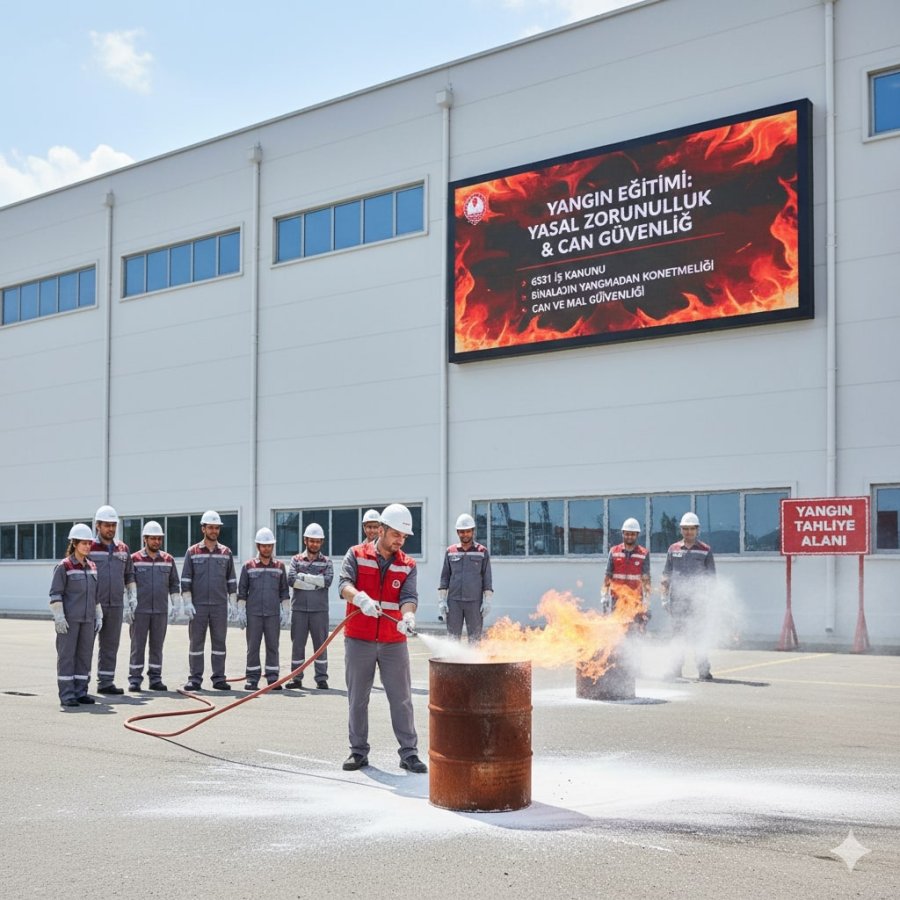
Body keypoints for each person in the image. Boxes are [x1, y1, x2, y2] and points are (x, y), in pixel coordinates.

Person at [338, 503, 426, 773]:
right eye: (396, 534)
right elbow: (343, 585)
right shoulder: (356, 554)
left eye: (404, 536)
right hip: (359, 639)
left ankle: (409, 753)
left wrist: (408, 617)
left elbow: (408, 597)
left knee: (401, 698)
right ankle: (358, 751)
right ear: (382, 530)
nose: (400, 540)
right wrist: (359, 597)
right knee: (358, 698)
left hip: (392, 642)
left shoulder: (407, 564)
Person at [180, 510, 238, 691]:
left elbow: (231, 580)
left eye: (216, 528)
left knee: (219, 643)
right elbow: (186, 580)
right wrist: (187, 602)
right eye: (210, 527)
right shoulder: (193, 552)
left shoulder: (226, 552)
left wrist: (233, 603)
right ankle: (195, 678)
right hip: (198, 606)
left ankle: (219, 678)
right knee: (196, 643)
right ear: (203, 528)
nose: (214, 531)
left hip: (219, 606)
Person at [50, 524, 103, 708]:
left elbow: (96, 594)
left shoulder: (93, 566)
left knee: (84, 656)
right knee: (67, 657)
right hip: (69, 621)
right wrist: (59, 617)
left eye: (89, 543)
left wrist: (99, 613)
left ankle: (81, 692)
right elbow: (55, 594)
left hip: (88, 620)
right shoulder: (64, 566)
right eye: (83, 543)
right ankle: (67, 695)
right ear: (74, 544)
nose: (87, 547)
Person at [661, 512, 717, 680]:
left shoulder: (705, 550)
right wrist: (664, 598)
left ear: (697, 530)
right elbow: (666, 575)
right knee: (677, 637)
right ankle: (675, 669)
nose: (688, 532)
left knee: (699, 636)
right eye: (685, 529)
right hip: (677, 602)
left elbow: (711, 578)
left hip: (698, 602)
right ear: (681, 530)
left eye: (691, 529)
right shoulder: (673, 549)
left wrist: (709, 600)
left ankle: (703, 670)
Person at [128, 521, 180, 691]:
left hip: (160, 611)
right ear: (145, 539)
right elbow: (127, 583)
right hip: (140, 611)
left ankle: (155, 679)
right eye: (153, 538)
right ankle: (135, 679)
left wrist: (176, 604)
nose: (157, 542)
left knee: (157, 646)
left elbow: (174, 584)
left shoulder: (168, 560)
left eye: (159, 539)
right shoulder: (134, 559)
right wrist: (126, 605)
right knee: (138, 646)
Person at [90, 505, 136, 694]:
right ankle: (80, 685)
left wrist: (132, 597)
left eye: (113, 525)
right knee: (86, 646)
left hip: (116, 604)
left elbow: (129, 575)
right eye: (107, 525)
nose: (110, 529)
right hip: (92, 605)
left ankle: (106, 682)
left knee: (111, 645)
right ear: (97, 526)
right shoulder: (88, 547)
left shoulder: (123, 549)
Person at [237, 527, 290, 691]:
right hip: (254, 614)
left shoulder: (280, 566)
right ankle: (252, 679)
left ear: (273, 546)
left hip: (273, 614)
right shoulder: (248, 566)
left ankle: (273, 678)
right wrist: (241, 610)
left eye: (269, 545)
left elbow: (284, 591)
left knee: (273, 646)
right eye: (263, 545)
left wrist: (286, 610)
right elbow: (242, 590)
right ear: (258, 546)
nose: (267, 548)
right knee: (253, 647)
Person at [286, 523, 334, 690]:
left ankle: (321, 678)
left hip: (319, 610)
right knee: (297, 644)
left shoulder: (327, 562)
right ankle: (296, 677)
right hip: (299, 609)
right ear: (305, 540)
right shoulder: (296, 559)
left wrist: (304, 577)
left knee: (320, 645)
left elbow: (327, 581)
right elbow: (292, 580)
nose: (314, 544)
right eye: (311, 541)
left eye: (318, 541)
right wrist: (315, 582)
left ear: (322, 542)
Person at [438, 512, 493, 642]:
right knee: (452, 639)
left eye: (468, 531)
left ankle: (473, 662)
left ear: (473, 531)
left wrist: (488, 601)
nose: (465, 535)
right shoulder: (450, 551)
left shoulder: (482, 552)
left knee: (475, 639)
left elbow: (487, 577)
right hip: (454, 602)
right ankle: (452, 662)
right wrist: (441, 600)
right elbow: (445, 576)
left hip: (475, 602)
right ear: (457, 532)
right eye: (462, 532)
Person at [601, 517, 651, 626]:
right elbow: (607, 576)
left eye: (633, 534)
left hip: (635, 599)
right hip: (617, 599)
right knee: (618, 629)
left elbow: (646, 578)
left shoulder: (644, 553)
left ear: (637, 535)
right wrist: (604, 596)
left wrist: (647, 600)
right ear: (623, 534)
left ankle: (637, 643)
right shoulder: (614, 551)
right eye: (627, 534)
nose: (629, 537)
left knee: (636, 628)